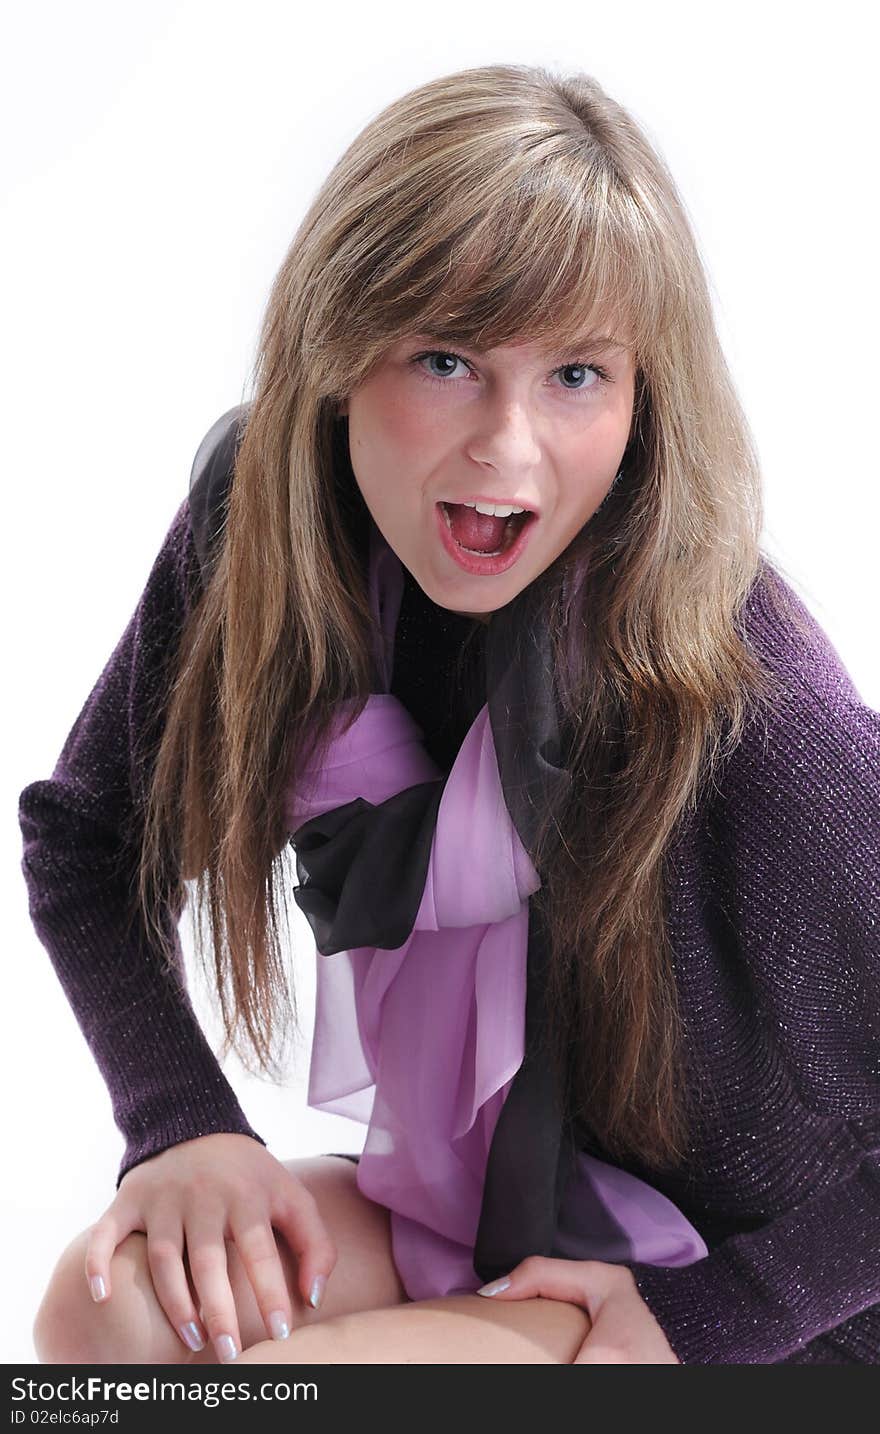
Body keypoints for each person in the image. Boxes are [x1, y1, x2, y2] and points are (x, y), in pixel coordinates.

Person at [20, 62, 879, 1368]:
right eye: (447, 359)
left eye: (579, 375)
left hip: (764, 1298)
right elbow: (87, 838)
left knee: (292, 1392)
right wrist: (183, 1124)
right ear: (338, 347)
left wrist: (704, 1321)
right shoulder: (268, 532)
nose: (509, 446)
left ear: (647, 397)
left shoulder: (741, 693)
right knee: (118, 1306)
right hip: (508, 1202)